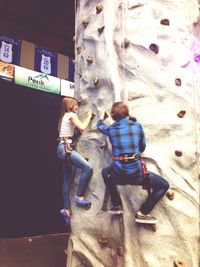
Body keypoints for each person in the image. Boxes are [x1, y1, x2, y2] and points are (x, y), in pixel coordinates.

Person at [97, 102, 169, 224]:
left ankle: (117, 205)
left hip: (118, 176)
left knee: (105, 172)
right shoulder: (137, 126)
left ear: (114, 116)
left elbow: (100, 127)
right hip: (137, 176)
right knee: (164, 185)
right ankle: (143, 213)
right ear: (127, 113)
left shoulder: (112, 129)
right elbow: (142, 148)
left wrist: (102, 118)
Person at [57, 97, 93, 224]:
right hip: (66, 149)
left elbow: (73, 132)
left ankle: (66, 209)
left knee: (67, 180)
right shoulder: (71, 115)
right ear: (70, 106)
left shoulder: (64, 117)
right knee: (88, 168)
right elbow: (82, 128)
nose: (77, 107)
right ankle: (79, 195)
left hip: (61, 148)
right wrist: (89, 117)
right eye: (75, 105)